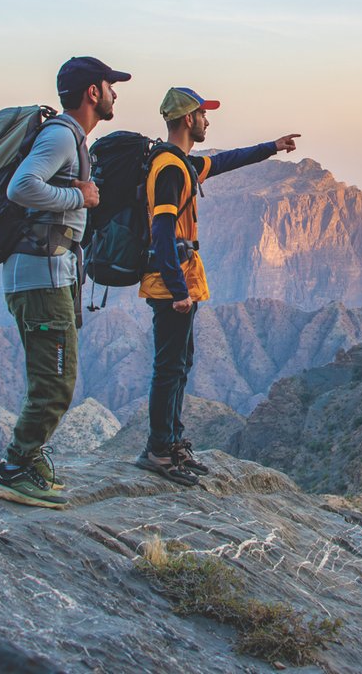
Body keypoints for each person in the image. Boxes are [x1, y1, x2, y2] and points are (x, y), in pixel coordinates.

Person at [0, 55, 130, 509]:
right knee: (57, 383)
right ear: (93, 92)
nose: (115, 94)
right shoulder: (62, 136)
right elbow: (21, 187)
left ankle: (29, 462)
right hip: (41, 274)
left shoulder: (71, 138)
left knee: (50, 376)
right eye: (110, 86)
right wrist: (79, 195)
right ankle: (13, 468)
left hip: (49, 272)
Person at [136, 86, 300, 485]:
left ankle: (172, 443)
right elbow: (160, 231)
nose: (208, 121)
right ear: (188, 119)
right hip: (170, 283)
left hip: (182, 282)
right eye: (203, 115)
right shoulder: (171, 169)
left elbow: (225, 160)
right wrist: (177, 292)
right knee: (168, 367)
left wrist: (271, 147)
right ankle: (158, 451)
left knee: (180, 364)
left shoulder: (182, 163)